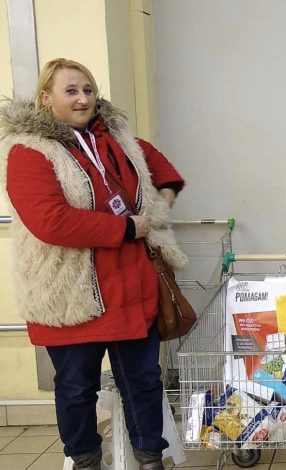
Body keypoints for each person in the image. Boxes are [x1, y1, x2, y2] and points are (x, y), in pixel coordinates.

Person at [0, 58, 188, 470]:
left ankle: (150, 459)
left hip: (130, 288)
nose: (83, 99)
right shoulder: (29, 152)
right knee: (76, 389)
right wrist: (126, 228)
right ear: (46, 98)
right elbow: (51, 222)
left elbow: (158, 167)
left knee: (143, 383)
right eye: (70, 91)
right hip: (71, 298)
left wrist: (159, 206)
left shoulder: (115, 139)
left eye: (88, 89)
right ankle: (86, 461)